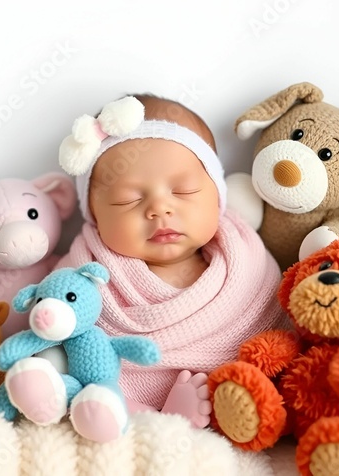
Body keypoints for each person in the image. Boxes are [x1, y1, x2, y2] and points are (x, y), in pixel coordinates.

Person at [53, 93, 287, 429]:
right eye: (127, 199)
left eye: (184, 191)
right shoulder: (81, 277)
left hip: (242, 401)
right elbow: (55, 338)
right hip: (128, 413)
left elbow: (280, 335)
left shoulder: (249, 266)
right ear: (95, 217)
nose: (159, 209)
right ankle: (159, 420)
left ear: (217, 197)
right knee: (85, 394)